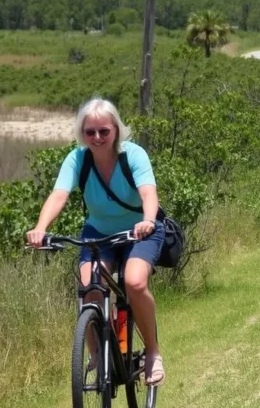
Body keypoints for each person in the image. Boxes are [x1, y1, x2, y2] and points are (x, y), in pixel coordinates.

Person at [26, 97, 167, 386]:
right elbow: (59, 195)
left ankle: (153, 351)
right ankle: (97, 354)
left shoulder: (133, 155)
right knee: (89, 285)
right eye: (90, 132)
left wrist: (148, 221)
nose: (97, 137)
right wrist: (40, 228)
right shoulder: (77, 159)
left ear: (116, 129)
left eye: (104, 131)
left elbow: (149, 193)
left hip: (139, 230)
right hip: (99, 232)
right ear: (82, 133)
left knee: (135, 282)